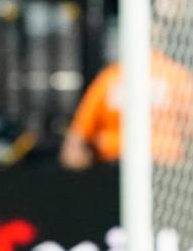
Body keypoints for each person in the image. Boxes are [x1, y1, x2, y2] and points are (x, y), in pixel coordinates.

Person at [60, 52, 193, 170]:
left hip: (130, 165)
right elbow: (76, 140)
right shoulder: (176, 76)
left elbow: (74, 144)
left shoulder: (111, 77)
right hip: (159, 164)